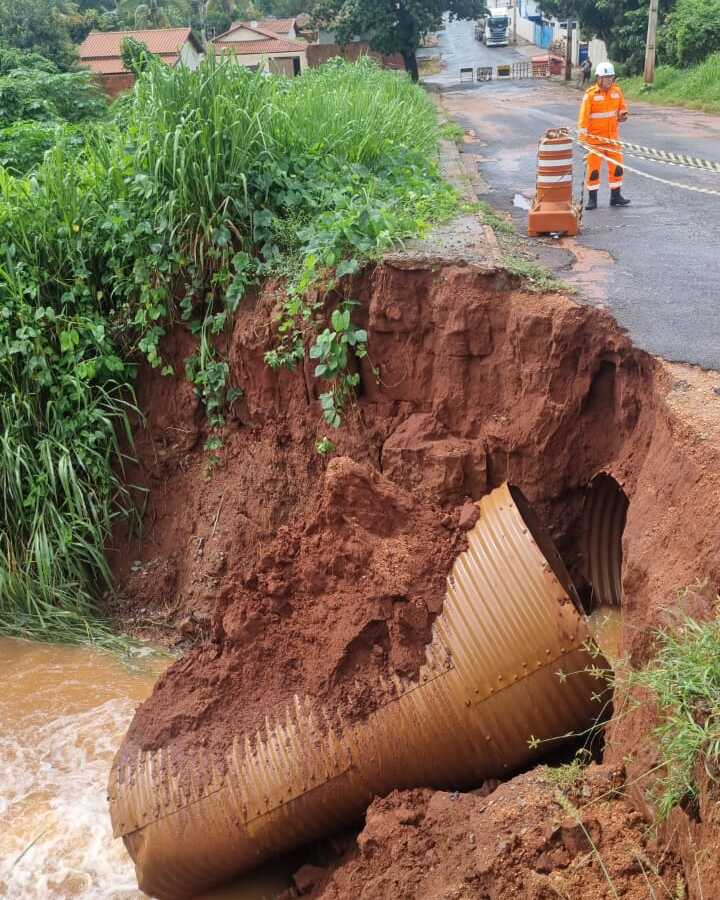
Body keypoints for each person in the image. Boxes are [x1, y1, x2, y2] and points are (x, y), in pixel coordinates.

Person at [577, 61, 630, 209]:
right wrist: (583, 139)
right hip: (594, 141)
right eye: (606, 78)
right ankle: (592, 200)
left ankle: (616, 197)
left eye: (611, 78)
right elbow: (583, 119)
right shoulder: (590, 95)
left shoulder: (617, 92)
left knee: (617, 168)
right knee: (593, 171)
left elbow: (622, 109)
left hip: (612, 140)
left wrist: (623, 115)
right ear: (598, 78)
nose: (609, 81)